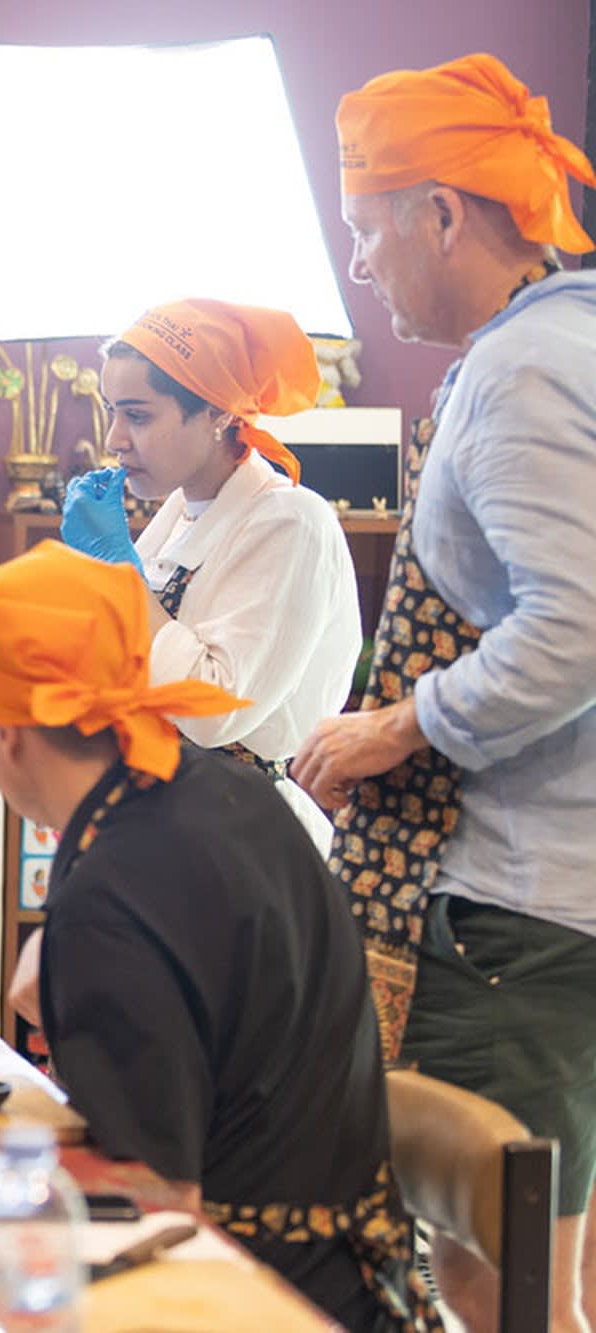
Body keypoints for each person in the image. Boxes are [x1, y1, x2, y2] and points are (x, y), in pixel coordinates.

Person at [0, 542, 437, 1331]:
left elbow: (157, 1208)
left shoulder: (110, 899)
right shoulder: (226, 787)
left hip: (265, 1295)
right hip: (362, 1275)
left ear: (5, 732)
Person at [293, 52, 596, 1331]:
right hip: (562, 896)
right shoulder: (566, 339)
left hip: (515, 910)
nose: (358, 265)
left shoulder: (523, 370)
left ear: (440, 213)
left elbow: (572, 627)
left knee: (495, 1285)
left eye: (365, 229)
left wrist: (393, 727)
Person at [59, 299, 358, 853]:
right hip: (161, 820)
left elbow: (215, 711)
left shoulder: (290, 522)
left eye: (138, 416)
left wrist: (120, 577)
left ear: (217, 413)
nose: (114, 439)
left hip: (242, 838)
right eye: (111, 411)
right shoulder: (180, 509)